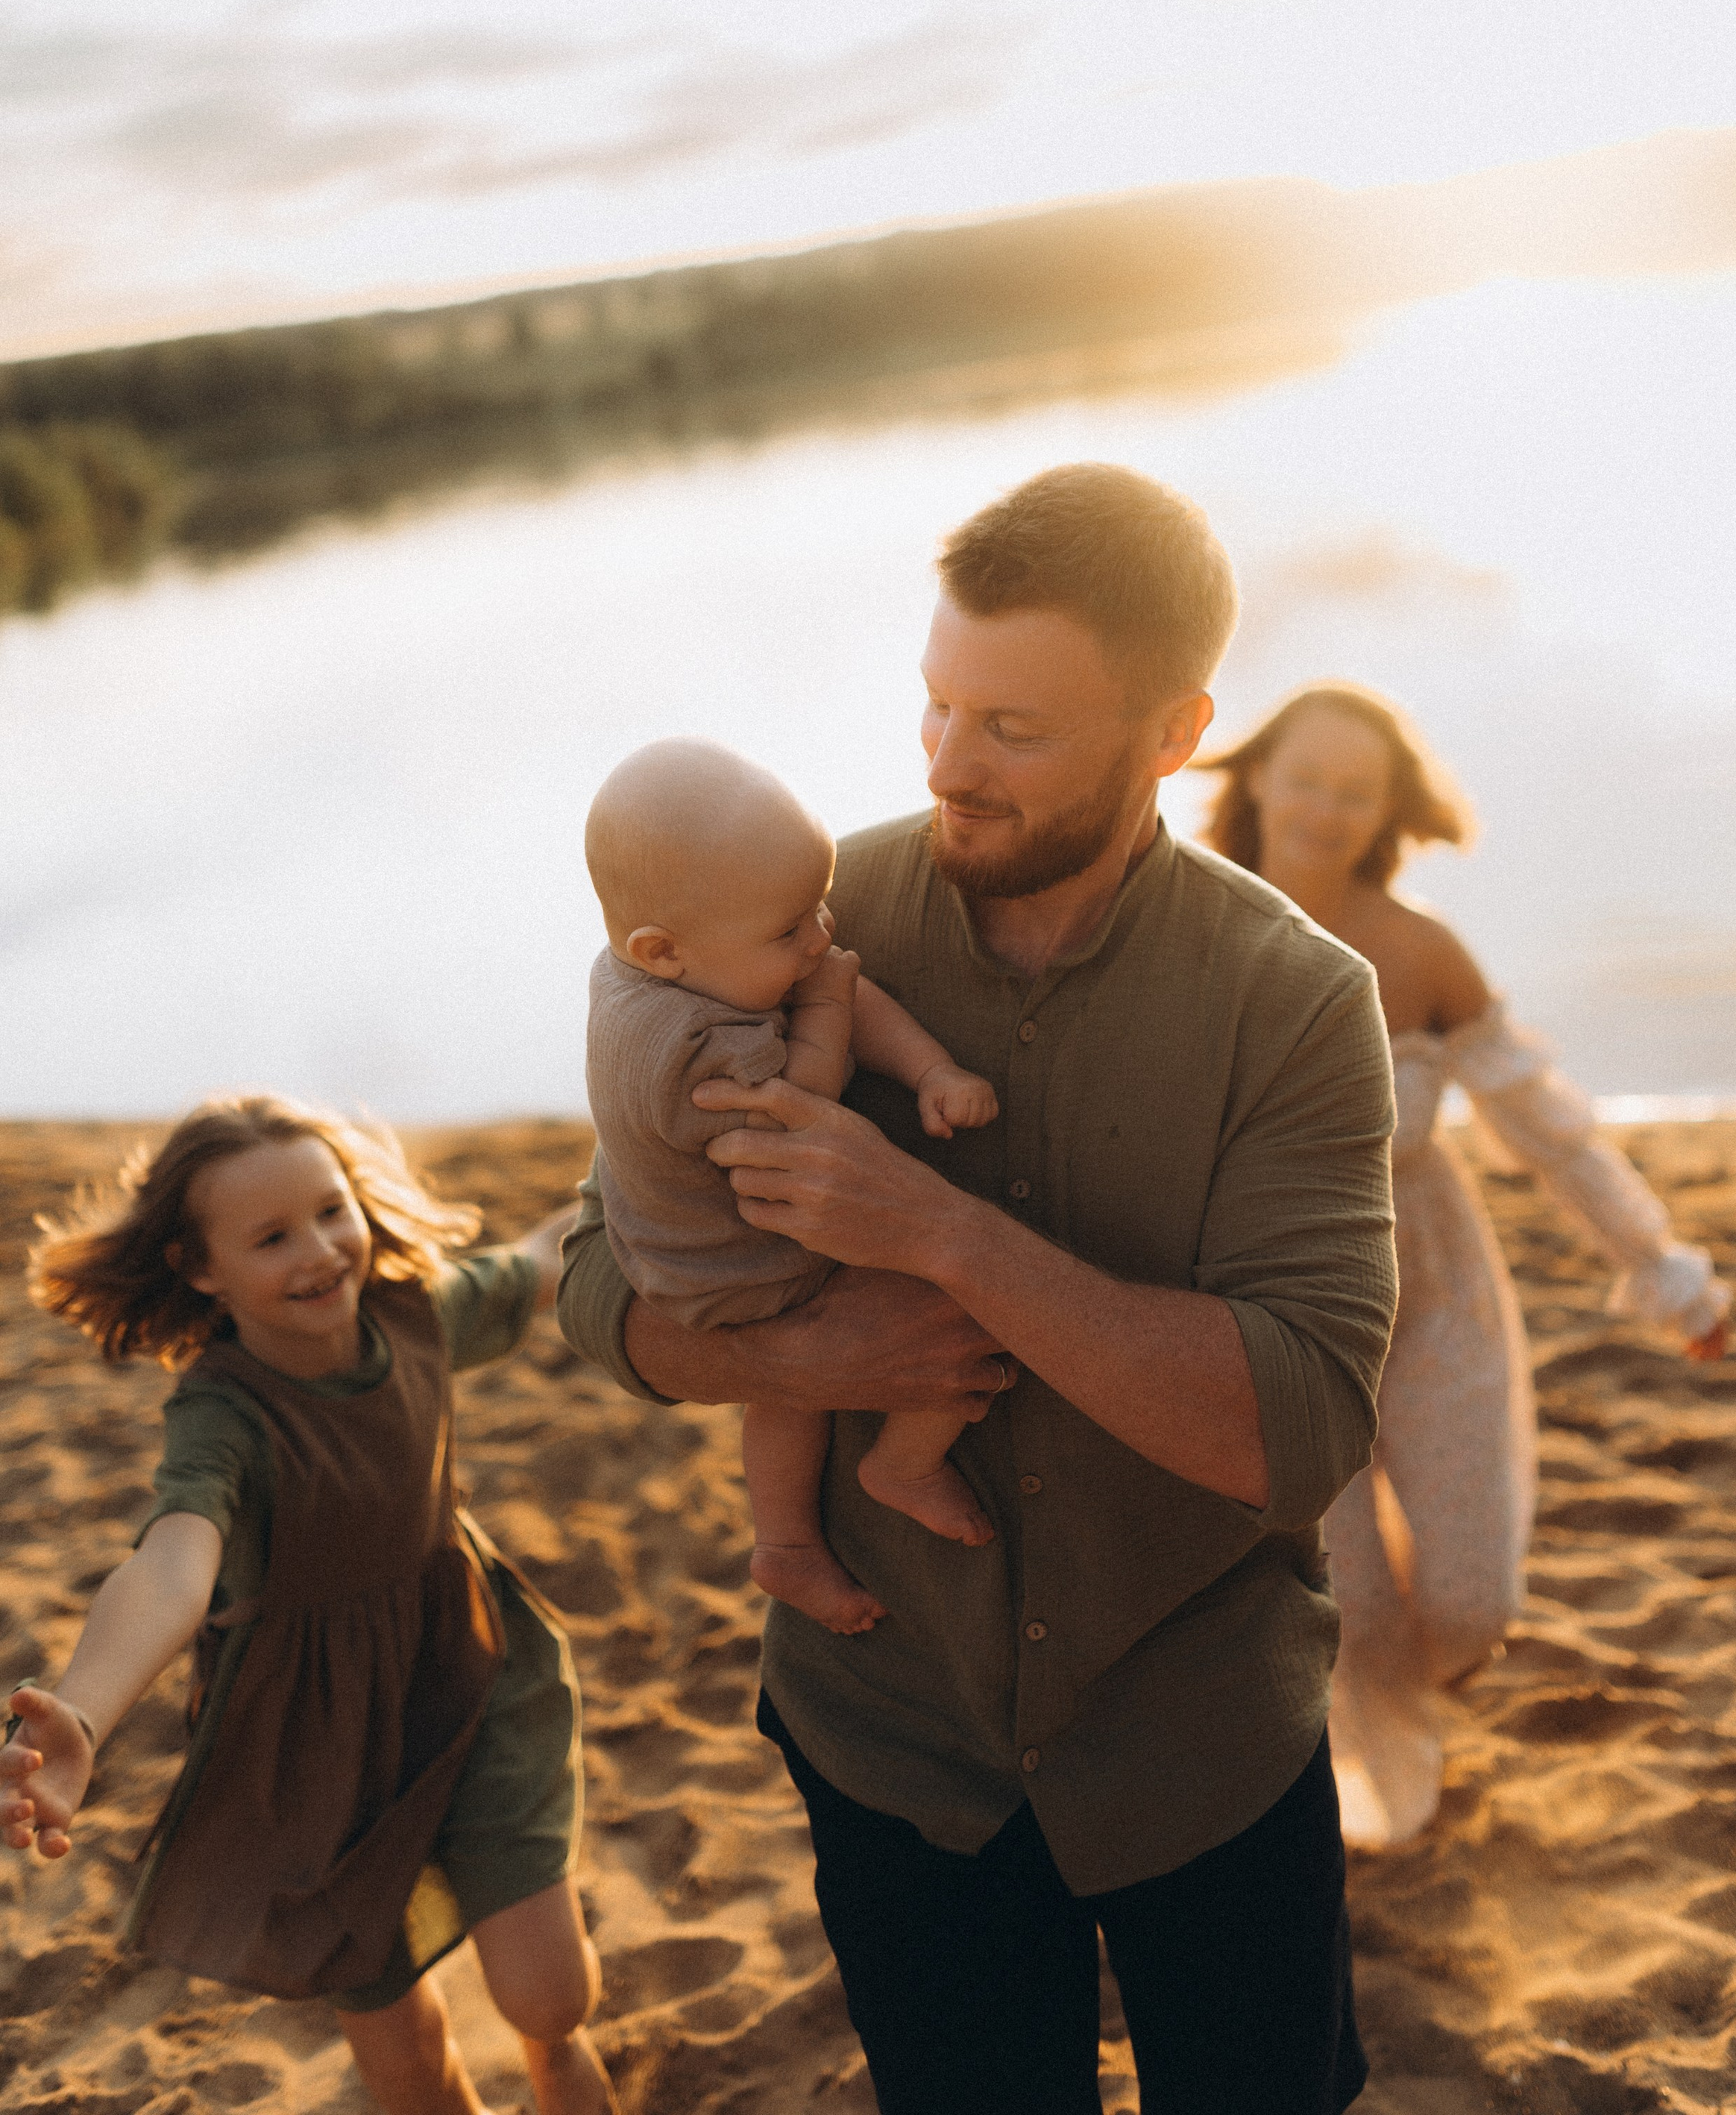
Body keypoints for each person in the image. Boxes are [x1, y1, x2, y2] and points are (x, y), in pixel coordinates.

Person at [559, 462, 1399, 2115]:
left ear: (1172, 734)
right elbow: (597, 1284)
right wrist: (810, 1343)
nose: (946, 762)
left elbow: (1299, 1427)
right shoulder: (791, 912)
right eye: (936, 704)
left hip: (1203, 1741)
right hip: (889, 1737)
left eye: (1011, 728)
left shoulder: (1297, 999)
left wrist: (942, 1238)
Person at [1, 1095, 614, 2115]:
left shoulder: (416, 1311)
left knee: (550, 1993)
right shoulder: (222, 1412)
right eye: (273, 1237)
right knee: (405, 2059)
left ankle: (556, 2060)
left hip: (468, 1667)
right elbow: (170, 1569)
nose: (322, 1251)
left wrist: (643, 1148)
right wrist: (84, 1711)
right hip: (311, 1740)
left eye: (333, 1212)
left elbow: (541, 1257)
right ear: (203, 1271)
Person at [1197, 682, 1731, 1849]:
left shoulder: (1424, 951)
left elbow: (1548, 1132)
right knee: (1353, 1610)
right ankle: (1388, 1811)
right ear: (1257, 782)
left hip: (1433, 1294)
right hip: (1278, 1321)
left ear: (1386, 810)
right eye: (1310, 779)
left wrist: (1665, 1267)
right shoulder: (1191, 932)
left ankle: (1410, 1721)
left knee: (1471, 1601)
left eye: (1357, 790)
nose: (1328, 808)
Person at [584, 735, 1001, 1635]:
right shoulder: (696, 1052)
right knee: (948, 1298)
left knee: (827, 983)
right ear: (662, 950)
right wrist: (827, 1004)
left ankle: (784, 1541)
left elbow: (824, 976)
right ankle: (903, 1461)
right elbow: (801, 1108)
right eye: (789, 928)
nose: (816, 932)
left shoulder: (652, 964)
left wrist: (925, 1067)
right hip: (731, 1262)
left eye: (816, 906)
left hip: (661, 1233)